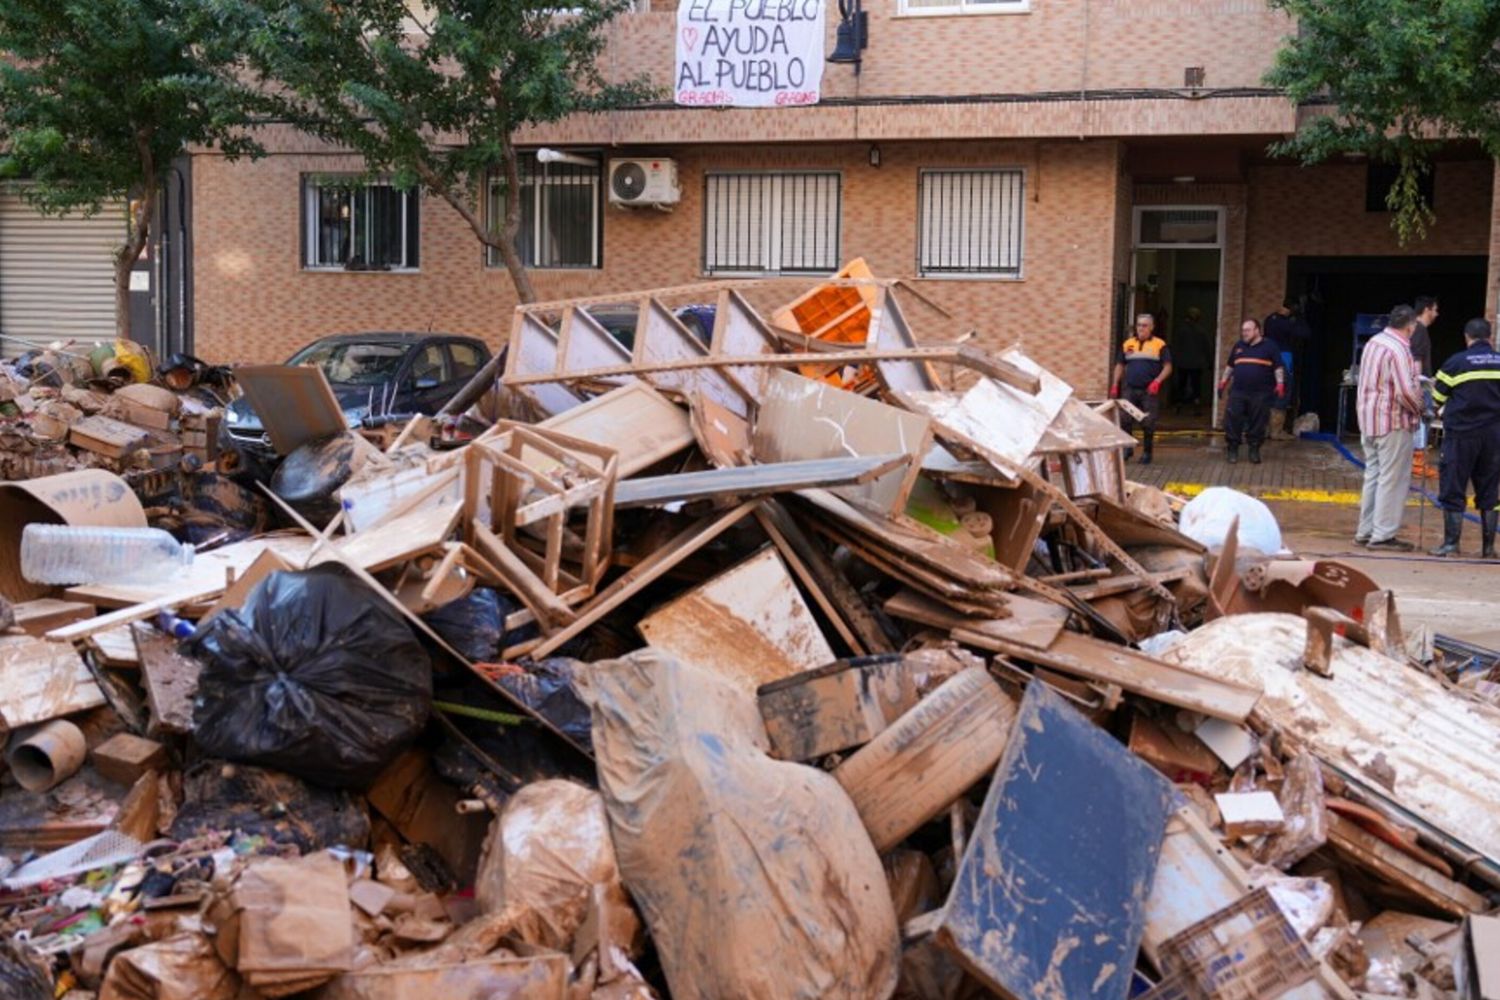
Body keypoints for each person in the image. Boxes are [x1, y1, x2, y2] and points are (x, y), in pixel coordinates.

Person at [1354, 304, 1425, 551]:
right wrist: (1420, 409)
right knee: (1392, 479)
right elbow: (1406, 391)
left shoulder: (1374, 342)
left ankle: (1366, 530)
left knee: (1373, 475)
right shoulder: (1400, 349)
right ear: (1410, 326)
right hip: (1392, 421)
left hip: (1368, 420)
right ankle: (1383, 535)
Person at [1428, 317, 1500, 558]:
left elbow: (1436, 399)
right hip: (1494, 437)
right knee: (1490, 489)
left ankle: (1451, 545)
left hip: (1461, 435)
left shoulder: (1456, 363)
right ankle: (1488, 549)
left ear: (1467, 337)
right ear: (1490, 337)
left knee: (1453, 485)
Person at [1217, 318, 1285, 465]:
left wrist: (1280, 384)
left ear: (1257, 330)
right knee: (1233, 419)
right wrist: (1223, 382)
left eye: (1247, 330)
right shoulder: (1238, 346)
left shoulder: (1270, 347)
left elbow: (1278, 367)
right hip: (1238, 392)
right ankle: (1232, 449)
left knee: (1258, 422)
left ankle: (1254, 449)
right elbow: (1230, 366)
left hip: (1261, 393)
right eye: (1243, 331)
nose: (1244, 333)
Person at [1109, 313, 1173, 465]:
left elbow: (1168, 366)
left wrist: (1157, 381)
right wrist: (1114, 384)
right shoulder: (1127, 344)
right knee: (1125, 419)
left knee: (1148, 421)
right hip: (1129, 388)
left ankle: (1147, 452)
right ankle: (1127, 449)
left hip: (1149, 390)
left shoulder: (1159, 345)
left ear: (1151, 327)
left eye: (1145, 325)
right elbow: (1119, 365)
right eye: (1139, 325)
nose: (1141, 328)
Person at [1263, 297, 1310, 440]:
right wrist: (1300, 317)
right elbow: (1306, 333)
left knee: (1268, 392)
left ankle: (1264, 430)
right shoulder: (1286, 323)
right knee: (1283, 392)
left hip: (1267, 358)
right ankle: (1276, 431)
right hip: (1283, 357)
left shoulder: (1270, 319)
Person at [1172, 306, 1211, 410]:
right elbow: (1207, 347)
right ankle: (1197, 404)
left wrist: (1174, 359)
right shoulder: (1202, 331)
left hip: (1182, 363)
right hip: (1196, 363)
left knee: (1182, 384)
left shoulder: (1181, 330)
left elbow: (1176, 346)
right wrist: (1210, 362)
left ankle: (1179, 404)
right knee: (1196, 385)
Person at [1411, 295, 1439, 378]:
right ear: (1427, 310)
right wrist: (1418, 383)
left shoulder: (1414, 327)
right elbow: (1416, 358)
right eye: (1435, 310)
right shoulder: (1419, 329)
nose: (1436, 314)